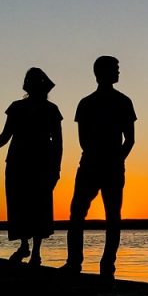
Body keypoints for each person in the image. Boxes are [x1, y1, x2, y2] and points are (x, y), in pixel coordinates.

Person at [61, 55, 136, 281]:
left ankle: (107, 265)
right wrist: (110, 158)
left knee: (111, 215)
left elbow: (130, 140)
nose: (118, 72)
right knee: (78, 212)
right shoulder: (87, 103)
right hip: (92, 164)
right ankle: (75, 262)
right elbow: (83, 140)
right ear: (101, 72)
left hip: (108, 164)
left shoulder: (123, 101)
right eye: (115, 68)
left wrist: (117, 159)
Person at [0, 68, 63, 267]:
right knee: (21, 205)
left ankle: (35, 252)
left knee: (38, 206)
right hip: (19, 163)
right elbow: (5, 136)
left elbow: (58, 143)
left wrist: (56, 169)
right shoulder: (18, 108)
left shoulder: (51, 110)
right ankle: (27, 246)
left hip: (40, 164)